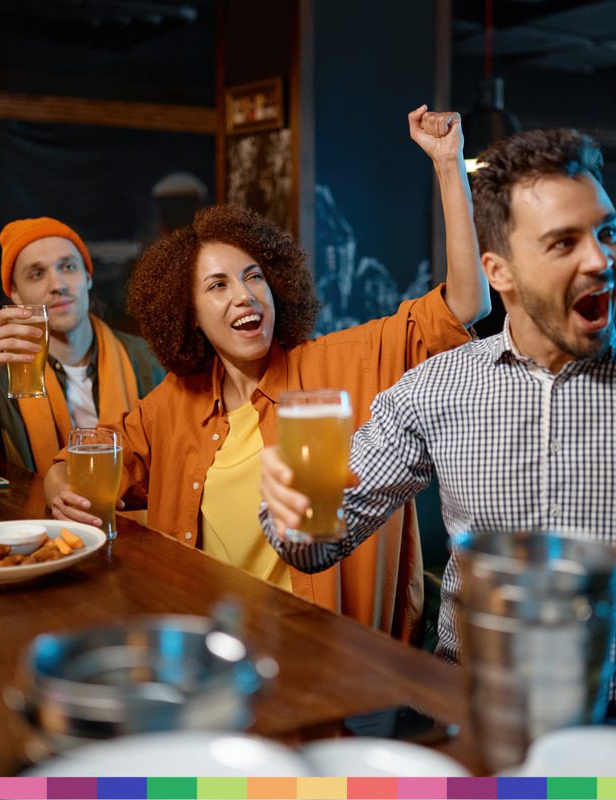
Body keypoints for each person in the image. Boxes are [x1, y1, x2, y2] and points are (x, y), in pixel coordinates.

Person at [260, 127, 616, 725]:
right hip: (466, 711)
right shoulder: (435, 388)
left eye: (607, 231)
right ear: (500, 271)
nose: (600, 259)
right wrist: (295, 511)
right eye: (563, 243)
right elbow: (314, 545)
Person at [44, 105, 491, 642]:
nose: (245, 295)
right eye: (218, 286)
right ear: (187, 314)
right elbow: (91, 455)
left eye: (253, 277)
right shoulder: (174, 402)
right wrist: (57, 480)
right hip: (213, 648)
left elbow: (465, 303)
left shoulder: (340, 363)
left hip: (332, 656)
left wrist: (447, 164)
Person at [0, 217, 166, 474]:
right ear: (15, 294)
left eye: (68, 267)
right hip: (40, 513)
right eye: (37, 274)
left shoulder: (144, 357)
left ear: (87, 277)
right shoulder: (0, 364)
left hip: (130, 511)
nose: (58, 285)